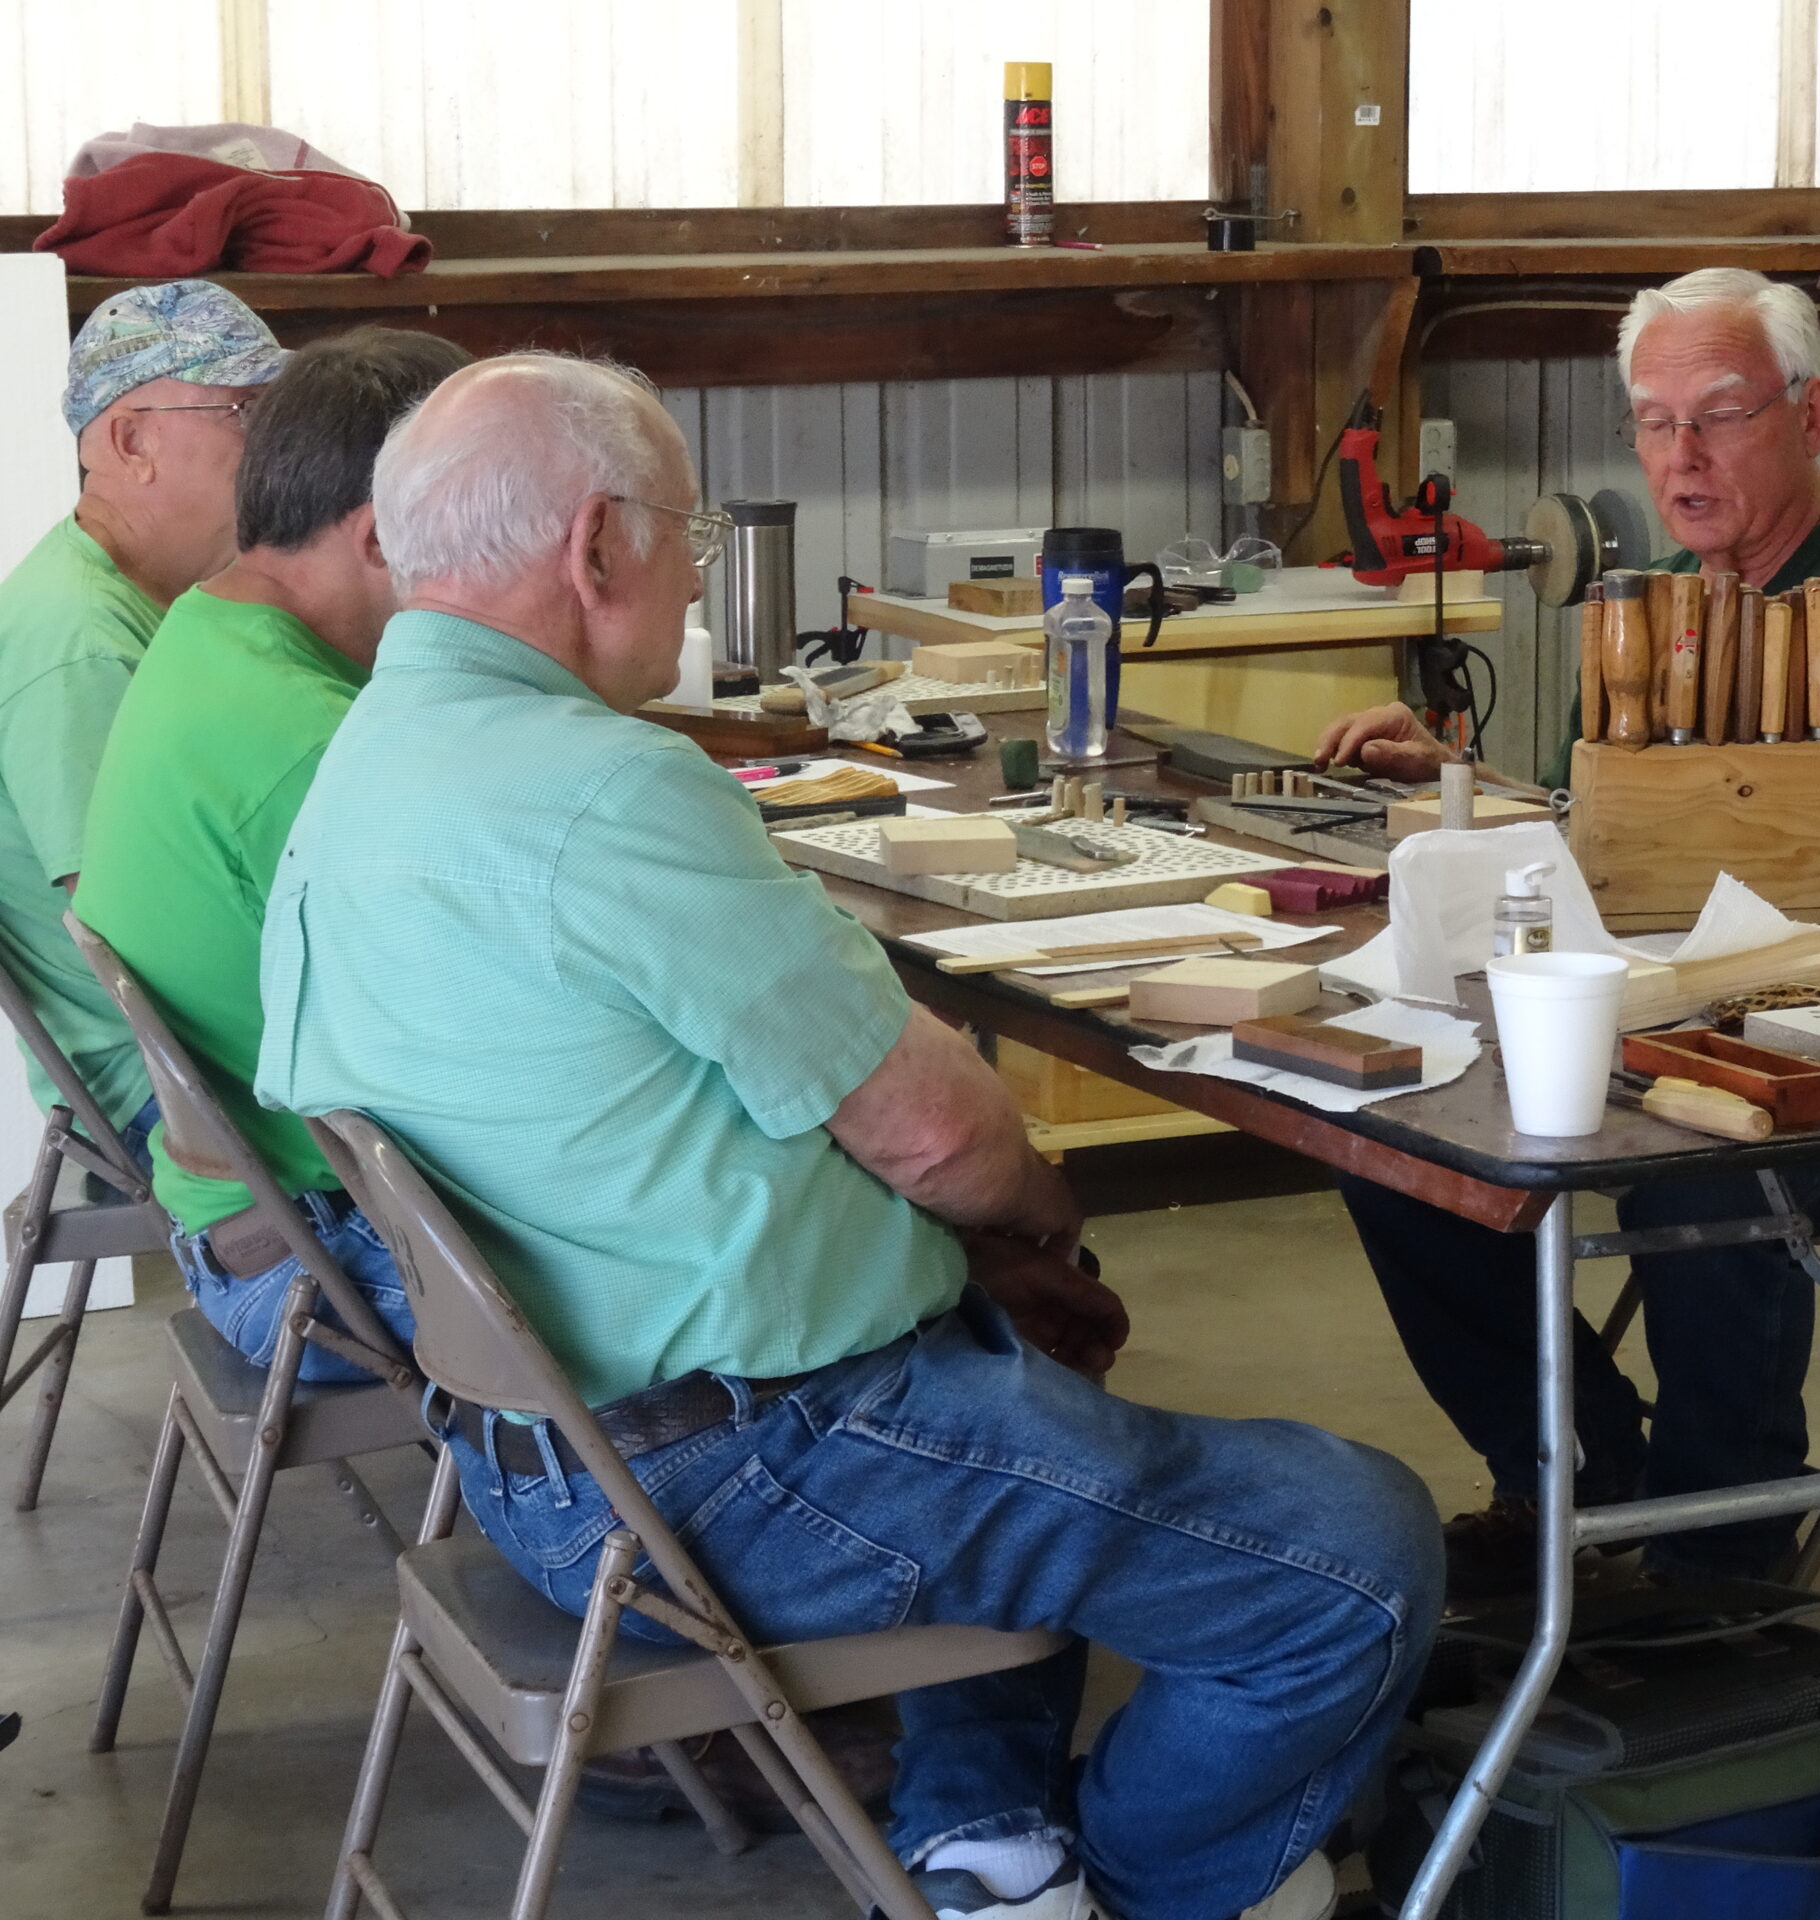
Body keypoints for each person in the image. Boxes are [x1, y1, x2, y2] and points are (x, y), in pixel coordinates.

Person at [255, 353, 1440, 1920]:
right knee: (1353, 1549)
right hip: (742, 1474)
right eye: (683, 531)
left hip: (545, 1460)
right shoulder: (600, 788)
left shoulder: (366, 762)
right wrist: (1038, 1216)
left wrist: (958, 1264)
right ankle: (1151, 1888)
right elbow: (944, 1139)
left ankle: (993, 1847)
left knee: (1011, 1376)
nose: (692, 574)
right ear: (596, 542)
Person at [1310, 267, 1820, 1599]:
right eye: (1652, 421)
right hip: (1676, 1005)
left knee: (1702, 1169)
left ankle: (1726, 1560)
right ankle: (1578, 1475)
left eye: (1717, 414)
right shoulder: (1660, 609)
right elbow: (1603, 828)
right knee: (1393, 1138)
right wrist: (1452, 780)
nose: (1679, 454)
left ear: (1810, 414)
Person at [78, 327, 471, 1380]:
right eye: (484, 529)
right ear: (389, 534)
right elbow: (487, 1051)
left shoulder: (212, 624)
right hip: (307, 1256)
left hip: (249, 1220)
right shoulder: (312, 738)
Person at [0, 280, 285, 1170]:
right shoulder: (81, 642)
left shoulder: (133, 597)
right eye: (246, 411)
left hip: (198, 1060)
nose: (275, 446)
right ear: (131, 440)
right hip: (166, 1093)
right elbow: (137, 932)